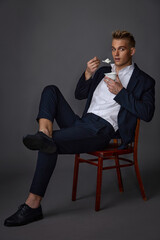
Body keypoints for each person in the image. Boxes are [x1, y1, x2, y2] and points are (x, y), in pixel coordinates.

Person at [4, 30, 155, 226]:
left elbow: (148, 113)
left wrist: (121, 92)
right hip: (81, 123)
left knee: (50, 144)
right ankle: (43, 133)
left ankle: (33, 205)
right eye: (113, 49)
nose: (116, 54)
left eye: (122, 49)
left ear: (132, 51)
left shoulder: (144, 81)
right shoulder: (103, 71)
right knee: (51, 90)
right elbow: (79, 94)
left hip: (101, 129)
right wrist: (88, 74)